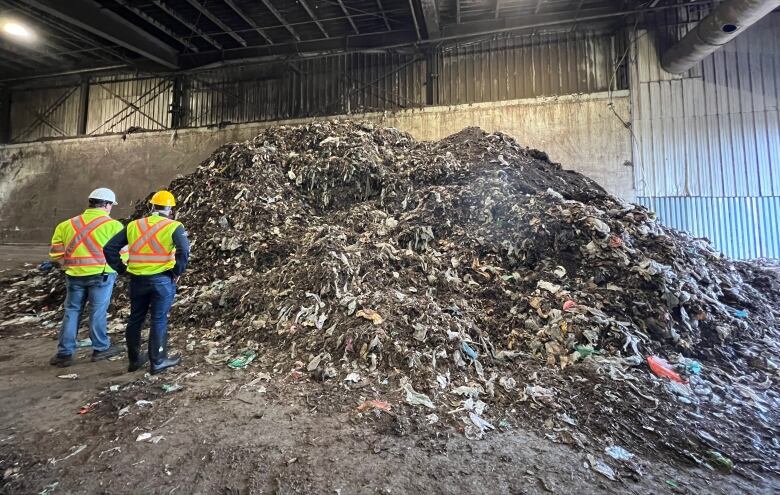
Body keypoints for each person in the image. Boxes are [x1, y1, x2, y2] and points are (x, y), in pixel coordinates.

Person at [103, 190, 189, 375]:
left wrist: (121, 268)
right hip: (162, 280)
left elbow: (110, 248)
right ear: (171, 209)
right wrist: (177, 272)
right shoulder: (174, 226)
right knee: (158, 319)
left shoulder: (134, 225)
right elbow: (184, 250)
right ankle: (157, 361)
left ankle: (134, 361)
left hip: (137, 280)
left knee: (135, 319)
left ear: (151, 207)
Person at [48, 188, 125, 367]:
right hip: (101, 276)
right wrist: (120, 269)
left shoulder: (65, 225)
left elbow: (55, 254)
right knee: (97, 312)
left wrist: (69, 266)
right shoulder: (114, 226)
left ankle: (64, 353)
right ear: (106, 205)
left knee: (72, 311)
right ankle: (100, 348)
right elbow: (123, 253)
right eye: (111, 205)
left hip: (74, 276)